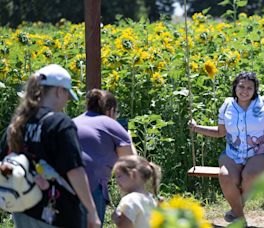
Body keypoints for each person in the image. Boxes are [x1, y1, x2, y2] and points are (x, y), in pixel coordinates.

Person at [0, 64, 100, 227]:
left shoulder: (18, 123)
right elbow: (75, 171)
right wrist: (92, 210)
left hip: (23, 211)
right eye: (67, 94)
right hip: (58, 214)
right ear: (59, 91)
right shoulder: (59, 123)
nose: (67, 99)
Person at [188, 72, 264, 223]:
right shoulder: (227, 105)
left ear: (255, 89)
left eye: (250, 87)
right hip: (232, 153)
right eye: (241, 86)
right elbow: (220, 132)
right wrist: (196, 128)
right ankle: (241, 219)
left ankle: (237, 206)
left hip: (259, 152)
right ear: (235, 87)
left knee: (250, 176)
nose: (245, 91)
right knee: (225, 176)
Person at [73, 89, 136, 225]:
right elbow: (131, 162)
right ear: (111, 110)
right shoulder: (110, 123)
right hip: (92, 185)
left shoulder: (72, 122)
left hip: (63, 185)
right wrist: (129, 137)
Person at [111, 155, 161, 228]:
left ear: (133, 174)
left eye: (119, 176)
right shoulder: (150, 199)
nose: (116, 181)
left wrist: (117, 219)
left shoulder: (130, 200)